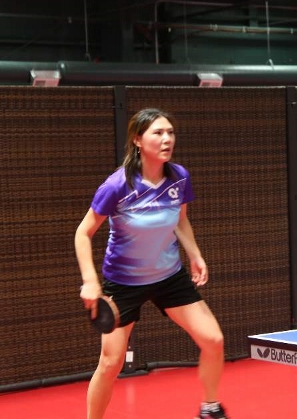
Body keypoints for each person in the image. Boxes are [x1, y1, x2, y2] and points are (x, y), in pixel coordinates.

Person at [74, 108, 227, 419]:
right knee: (110, 363)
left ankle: (209, 409)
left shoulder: (179, 177)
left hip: (169, 276)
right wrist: (90, 280)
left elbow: (180, 220)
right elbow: (83, 232)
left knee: (214, 340)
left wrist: (195, 254)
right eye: (158, 133)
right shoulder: (117, 185)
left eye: (170, 132)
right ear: (137, 140)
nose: (167, 138)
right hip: (123, 283)